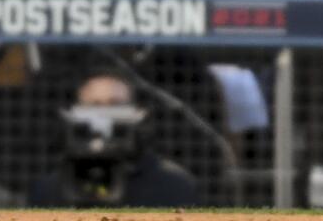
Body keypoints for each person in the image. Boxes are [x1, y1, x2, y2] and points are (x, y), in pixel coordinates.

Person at [27, 70, 201, 208]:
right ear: (75, 112)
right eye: (94, 105)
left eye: (115, 104)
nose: (104, 114)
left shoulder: (173, 185)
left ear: (136, 112)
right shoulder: (49, 189)